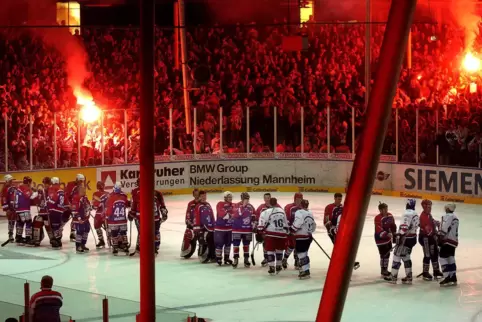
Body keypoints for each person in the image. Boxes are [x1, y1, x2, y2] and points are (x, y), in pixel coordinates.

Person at [384, 199, 419, 284]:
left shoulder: (407, 213)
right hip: (412, 238)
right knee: (406, 256)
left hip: (405, 239)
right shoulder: (415, 213)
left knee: (397, 256)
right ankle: (409, 276)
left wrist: (399, 235)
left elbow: (404, 228)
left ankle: (393, 277)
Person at [257, 197, 288, 275]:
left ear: (270, 203)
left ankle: (271, 267)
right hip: (282, 234)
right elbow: (286, 223)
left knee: (270, 250)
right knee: (279, 250)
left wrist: (259, 232)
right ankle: (278, 266)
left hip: (271, 234)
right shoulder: (282, 211)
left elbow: (261, 225)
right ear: (276, 203)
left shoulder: (266, 212)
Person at [418, 199, 443, 281]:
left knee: (435, 253)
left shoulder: (428, 214)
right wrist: (436, 234)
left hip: (430, 238)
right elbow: (428, 231)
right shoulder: (423, 217)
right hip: (425, 238)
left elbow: (432, 221)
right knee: (427, 255)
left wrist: (436, 222)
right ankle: (425, 272)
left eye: (430, 206)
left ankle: (436, 271)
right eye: (428, 207)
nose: (430, 208)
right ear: (424, 207)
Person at [291, 199, 316, 279]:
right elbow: (314, 225)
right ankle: (305, 269)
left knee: (301, 254)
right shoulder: (310, 213)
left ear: (301, 205)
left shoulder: (299, 212)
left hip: (301, 236)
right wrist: (310, 231)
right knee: (304, 253)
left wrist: (292, 229)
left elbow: (298, 222)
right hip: (308, 237)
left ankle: (305, 271)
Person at [10, 176, 38, 245]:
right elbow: (31, 196)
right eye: (30, 182)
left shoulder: (18, 187)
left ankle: (18, 238)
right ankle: (28, 238)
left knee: (20, 223)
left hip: (18, 210)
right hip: (24, 209)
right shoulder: (26, 188)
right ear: (28, 182)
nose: (30, 184)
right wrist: (37, 192)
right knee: (28, 222)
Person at [255, 193, 280, 267]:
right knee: (265, 244)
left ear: (270, 198)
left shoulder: (277, 206)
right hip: (265, 230)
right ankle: (266, 258)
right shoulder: (261, 207)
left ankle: (277, 260)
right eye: (265, 198)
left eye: (268, 198)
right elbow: (257, 217)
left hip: (275, 230)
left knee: (275, 245)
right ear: (264, 199)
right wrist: (256, 226)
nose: (267, 199)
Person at [105, 182, 129, 256]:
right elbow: (128, 204)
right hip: (122, 220)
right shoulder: (124, 196)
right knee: (123, 233)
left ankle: (115, 247)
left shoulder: (111, 197)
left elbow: (109, 209)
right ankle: (125, 246)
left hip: (113, 220)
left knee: (114, 233)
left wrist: (106, 216)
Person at [232, 192, 255, 268]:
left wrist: (254, 225)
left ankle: (246, 259)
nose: (247, 200)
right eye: (245, 198)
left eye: (248, 198)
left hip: (247, 230)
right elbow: (236, 215)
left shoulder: (251, 207)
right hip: (237, 229)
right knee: (236, 245)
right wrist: (243, 206)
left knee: (246, 245)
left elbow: (254, 217)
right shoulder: (236, 205)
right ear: (242, 198)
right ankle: (235, 259)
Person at [438, 203, 459, 287]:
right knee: (451, 258)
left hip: (447, 241)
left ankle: (446, 277)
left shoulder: (447, 216)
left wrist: (440, 238)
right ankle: (453, 277)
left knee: (442, 258)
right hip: (453, 241)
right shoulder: (455, 217)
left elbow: (444, 228)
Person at [374, 202, 397, 278]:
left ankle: (385, 269)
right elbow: (378, 229)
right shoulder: (377, 218)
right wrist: (386, 234)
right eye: (384, 209)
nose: (386, 210)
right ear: (380, 210)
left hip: (388, 239)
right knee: (383, 254)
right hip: (380, 239)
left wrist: (394, 236)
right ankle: (383, 270)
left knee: (387, 254)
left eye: (386, 208)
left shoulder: (390, 215)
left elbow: (393, 226)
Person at [193, 190, 215, 263]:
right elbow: (196, 217)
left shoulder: (208, 205)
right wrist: (197, 228)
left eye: (205, 196)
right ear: (199, 197)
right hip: (203, 227)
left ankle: (212, 256)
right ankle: (203, 255)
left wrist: (214, 224)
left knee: (212, 241)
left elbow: (212, 215)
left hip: (211, 227)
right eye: (202, 196)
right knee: (203, 241)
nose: (204, 197)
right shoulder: (198, 206)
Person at [32, 177, 54, 246]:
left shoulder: (52, 191)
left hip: (49, 213)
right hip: (41, 212)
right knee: (37, 223)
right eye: (44, 183)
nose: (45, 185)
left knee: (49, 226)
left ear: (50, 184)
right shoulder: (40, 191)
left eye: (47, 183)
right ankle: (36, 239)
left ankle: (52, 239)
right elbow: (35, 200)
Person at [214, 191, 234, 266]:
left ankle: (226, 258)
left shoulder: (233, 205)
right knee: (219, 244)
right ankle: (218, 258)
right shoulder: (220, 204)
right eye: (229, 197)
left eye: (231, 197)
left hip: (229, 228)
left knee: (228, 244)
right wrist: (231, 215)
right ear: (225, 198)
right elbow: (222, 214)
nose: (230, 198)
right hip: (220, 229)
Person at [64, 174, 85, 242]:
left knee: (75, 219)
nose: (81, 182)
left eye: (82, 181)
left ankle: (72, 234)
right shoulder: (70, 185)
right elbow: (66, 195)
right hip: (68, 205)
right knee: (64, 219)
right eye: (80, 181)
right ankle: (57, 230)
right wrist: (68, 204)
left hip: (75, 206)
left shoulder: (81, 186)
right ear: (77, 180)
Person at [71, 186, 91, 254]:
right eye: (83, 190)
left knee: (87, 229)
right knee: (80, 231)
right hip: (78, 219)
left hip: (85, 218)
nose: (85, 192)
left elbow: (88, 205)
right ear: (79, 191)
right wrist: (79, 218)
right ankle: (78, 246)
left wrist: (89, 208)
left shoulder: (85, 197)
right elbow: (74, 209)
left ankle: (83, 244)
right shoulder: (76, 198)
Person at [180, 189, 200, 259]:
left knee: (202, 240)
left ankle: (202, 252)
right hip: (192, 226)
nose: (196, 195)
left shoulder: (203, 203)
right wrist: (188, 221)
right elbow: (188, 213)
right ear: (193, 195)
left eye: (197, 194)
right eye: (195, 194)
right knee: (191, 239)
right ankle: (188, 252)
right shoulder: (190, 203)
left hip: (200, 226)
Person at [47, 177, 65, 249]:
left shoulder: (54, 189)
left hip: (54, 210)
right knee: (58, 226)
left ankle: (57, 241)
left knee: (54, 227)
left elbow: (53, 200)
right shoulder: (61, 190)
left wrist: (48, 201)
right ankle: (59, 240)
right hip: (60, 211)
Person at [92, 181, 109, 249]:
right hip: (107, 213)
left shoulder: (95, 194)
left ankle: (101, 240)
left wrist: (92, 206)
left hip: (99, 214)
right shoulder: (108, 194)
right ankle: (112, 240)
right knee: (108, 228)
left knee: (97, 227)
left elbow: (95, 206)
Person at [1, 174, 17, 243]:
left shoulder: (13, 187)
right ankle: (10, 235)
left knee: (14, 221)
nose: (12, 181)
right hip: (10, 208)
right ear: (7, 181)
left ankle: (17, 235)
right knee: (11, 221)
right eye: (10, 180)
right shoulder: (4, 189)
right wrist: (7, 209)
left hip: (15, 207)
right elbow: (4, 199)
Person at [154, 190, 168, 254]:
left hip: (156, 218)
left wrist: (164, 212)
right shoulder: (142, 192)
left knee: (156, 231)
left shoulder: (158, 193)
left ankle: (156, 245)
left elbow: (162, 204)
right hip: (146, 218)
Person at [129, 178, 140, 253]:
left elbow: (133, 204)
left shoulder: (135, 191)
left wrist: (131, 213)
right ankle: (139, 245)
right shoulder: (150, 189)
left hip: (138, 216)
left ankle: (139, 245)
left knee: (141, 231)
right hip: (148, 216)